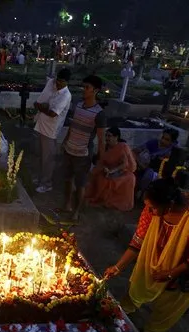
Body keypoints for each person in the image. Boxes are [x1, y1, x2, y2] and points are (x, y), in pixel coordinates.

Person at [104, 178, 189, 332]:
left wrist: (170, 273)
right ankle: (126, 307)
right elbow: (138, 241)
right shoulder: (153, 207)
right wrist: (118, 267)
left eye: (153, 208)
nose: (149, 211)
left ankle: (152, 331)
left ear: (169, 205)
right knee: (141, 279)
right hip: (160, 249)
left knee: (171, 297)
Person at [61, 75, 107, 221]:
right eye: (83, 87)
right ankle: (67, 205)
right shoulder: (79, 105)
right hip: (69, 149)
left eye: (87, 88)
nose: (84, 90)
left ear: (96, 91)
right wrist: (65, 140)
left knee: (80, 184)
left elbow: (101, 139)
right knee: (67, 179)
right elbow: (73, 126)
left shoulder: (99, 113)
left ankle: (76, 211)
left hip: (83, 154)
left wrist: (101, 159)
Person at [32, 68, 72, 193]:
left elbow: (52, 113)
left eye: (61, 82)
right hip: (40, 125)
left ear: (67, 82)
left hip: (50, 131)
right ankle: (40, 178)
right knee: (39, 155)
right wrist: (42, 106)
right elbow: (38, 103)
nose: (58, 84)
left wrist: (42, 107)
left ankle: (47, 183)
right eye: (57, 80)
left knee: (48, 159)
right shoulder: (52, 85)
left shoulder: (65, 95)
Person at [86, 127, 137, 211]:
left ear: (116, 137)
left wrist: (111, 171)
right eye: (106, 136)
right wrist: (105, 169)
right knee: (99, 177)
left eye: (109, 136)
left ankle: (113, 202)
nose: (107, 138)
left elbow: (125, 164)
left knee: (117, 180)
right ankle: (101, 199)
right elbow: (102, 162)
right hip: (109, 171)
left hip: (123, 172)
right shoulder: (106, 147)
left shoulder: (122, 146)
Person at [133, 128, 179, 194]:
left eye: (167, 140)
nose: (163, 141)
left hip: (156, 171)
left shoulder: (172, 151)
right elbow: (134, 151)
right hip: (140, 164)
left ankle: (140, 193)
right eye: (163, 137)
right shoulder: (154, 142)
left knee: (148, 175)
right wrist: (139, 163)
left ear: (172, 142)